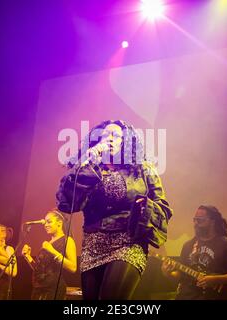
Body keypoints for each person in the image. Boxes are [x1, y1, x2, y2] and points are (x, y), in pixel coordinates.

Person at [56, 119, 173, 300]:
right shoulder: (90, 167)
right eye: (105, 135)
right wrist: (87, 162)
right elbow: (67, 203)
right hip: (93, 245)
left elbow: (163, 207)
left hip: (128, 242)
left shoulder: (143, 169)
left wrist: (145, 209)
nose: (110, 139)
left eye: (116, 135)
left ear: (125, 141)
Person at [161, 205, 227, 300]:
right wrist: (167, 272)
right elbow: (181, 276)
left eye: (200, 220)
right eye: (195, 220)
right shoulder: (188, 245)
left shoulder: (226, 244)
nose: (196, 223)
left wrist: (216, 280)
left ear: (212, 221)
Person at [22, 209, 77, 300]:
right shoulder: (48, 243)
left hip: (53, 289)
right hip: (38, 288)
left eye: (49, 222)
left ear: (59, 223)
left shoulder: (67, 240)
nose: (45, 225)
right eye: (45, 222)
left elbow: (73, 267)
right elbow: (39, 269)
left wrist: (53, 251)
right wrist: (27, 256)